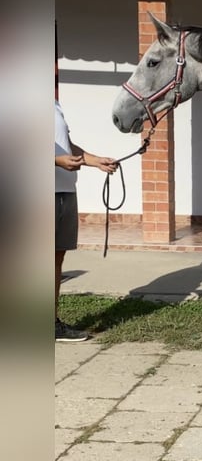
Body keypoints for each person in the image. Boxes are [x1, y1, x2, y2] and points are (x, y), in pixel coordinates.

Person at [55, 100, 117, 341]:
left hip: (64, 191)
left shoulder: (55, 105)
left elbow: (66, 146)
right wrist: (57, 161)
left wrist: (95, 161)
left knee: (56, 258)